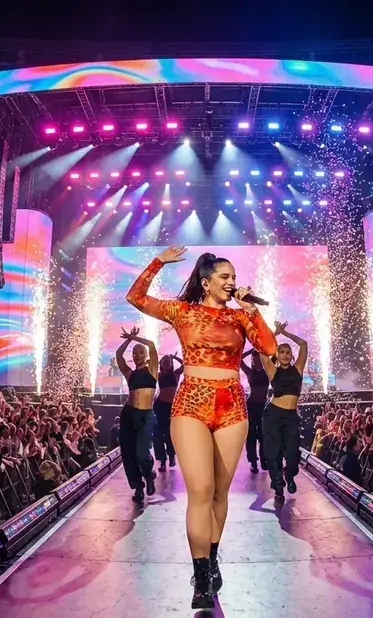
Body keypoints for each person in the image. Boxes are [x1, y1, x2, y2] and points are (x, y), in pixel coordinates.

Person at [127, 246, 277, 609]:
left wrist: (250, 310)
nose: (231, 282)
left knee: (220, 494)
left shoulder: (241, 317)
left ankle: (210, 557)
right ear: (206, 282)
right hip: (191, 402)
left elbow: (270, 346)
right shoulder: (183, 311)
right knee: (202, 489)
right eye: (224, 277)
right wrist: (158, 261)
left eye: (234, 278)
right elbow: (136, 297)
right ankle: (201, 578)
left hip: (231, 405)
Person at [259, 321, 307, 500]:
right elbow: (262, 349)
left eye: (288, 352)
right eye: (282, 352)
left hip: (291, 417)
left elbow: (303, 344)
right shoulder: (272, 370)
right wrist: (275, 334)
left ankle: (290, 475)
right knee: (273, 452)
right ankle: (278, 486)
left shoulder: (298, 369)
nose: (285, 355)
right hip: (273, 415)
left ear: (291, 355)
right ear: (277, 355)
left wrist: (285, 333)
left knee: (293, 452)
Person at [115, 326, 159, 504]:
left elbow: (152, 345)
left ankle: (149, 475)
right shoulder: (130, 373)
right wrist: (128, 340)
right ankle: (138, 487)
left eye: (140, 352)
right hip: (128, 415)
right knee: (128, 453)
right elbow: (119, 355)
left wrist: (136, 338)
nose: (138, 355)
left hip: (145, 416)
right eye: (135, 353)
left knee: (142, 452)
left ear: (146, 355)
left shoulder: (152, 369)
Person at [240, 350, 269, 474]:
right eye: (255, 360)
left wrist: (262, 351)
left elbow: (274, 356)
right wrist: (252, 350)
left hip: (263, 406)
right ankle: (253, 462)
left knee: (264, 435)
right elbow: (239, 359)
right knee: (251, 436)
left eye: (259, 360)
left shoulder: (268, 371)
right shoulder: (250, 372)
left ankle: (264, 460)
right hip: (251, 407)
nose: (257, 362)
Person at [153, 354, 183, 471]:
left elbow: (185, 364)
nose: (166, 363)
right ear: (161, 364)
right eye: (164, 361)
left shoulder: (176, 374)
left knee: (170, 433)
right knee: (158, 435)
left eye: (168, 361)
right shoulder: (159, 375)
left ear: (171, 363)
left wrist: (174, 358)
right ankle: (162, 461)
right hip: (160, 406)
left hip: (172, 407)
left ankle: (171, 456)